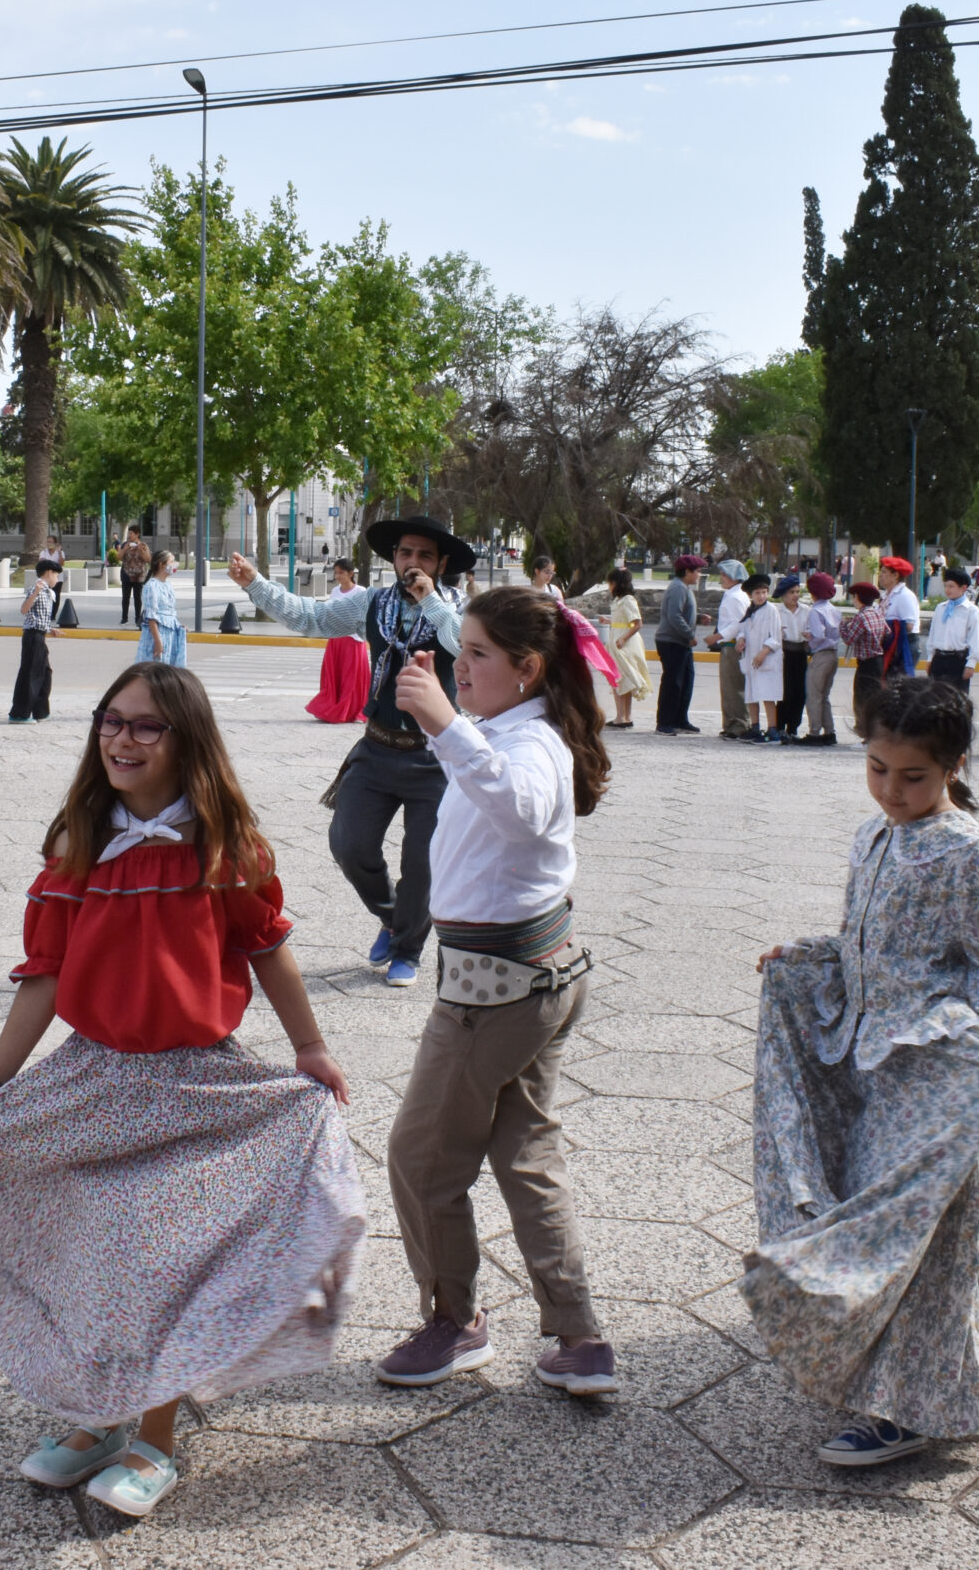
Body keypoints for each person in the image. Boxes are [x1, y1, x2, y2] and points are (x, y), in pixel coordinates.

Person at [0, 662, 362, 1518]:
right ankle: (94, 1414)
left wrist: (309, 1046)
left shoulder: (226, 845)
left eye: (144, 727)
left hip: (198, 1083)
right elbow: (44, 974)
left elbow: (267, 946)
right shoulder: (77, 844)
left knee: (158, 1257)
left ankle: (154, 1438)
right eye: (110, 720)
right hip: (93, 1076)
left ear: (186, 742)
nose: (121, 739)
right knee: (83, 1248)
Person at [745, 676, 979, 1466]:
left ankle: (910, 1407)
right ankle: (911, 1374)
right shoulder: (873, 836)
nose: (892, 789)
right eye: (877, 767)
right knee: (902, 1223)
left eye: (912, 776)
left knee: (918, 1231)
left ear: (951, 766)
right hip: (872, 1061)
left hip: (939, 1069)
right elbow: (863, 942)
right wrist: (809, 955)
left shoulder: (969, 852)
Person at [373, 587, 619, 1396]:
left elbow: (517, 807)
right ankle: (578, 1332)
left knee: (421, 1154)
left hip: (497, 991)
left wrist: (445, 722)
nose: (459, 664)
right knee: (525, 1153)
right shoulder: (511, 730)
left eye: (478, 653)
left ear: (528, 669)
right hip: (526, 976)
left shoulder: (534, 744)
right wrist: (452, 725)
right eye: (461, 647)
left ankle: (454, 1320)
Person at [231, 518, 473, 987]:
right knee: (349, 843)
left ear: (441, 564)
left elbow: (462, 645)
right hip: (379, 747)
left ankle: (408, 950)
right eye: (406, 554)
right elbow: (313, 618)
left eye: (425, 556)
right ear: (394, 558)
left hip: (436, 757)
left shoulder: (460, 609)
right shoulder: (372, 603)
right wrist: (256, 586)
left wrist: (431, 601)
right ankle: (394, 918)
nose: (413, 564)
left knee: (423, 864)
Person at [307, 560, 371, 724]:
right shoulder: (335, 591)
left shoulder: (361, 591)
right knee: (333, 676)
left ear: (351, 573)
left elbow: (364, 615)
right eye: (336, 572)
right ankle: (331, 707)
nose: (337, 576)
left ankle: (355, 711)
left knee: (353, 678)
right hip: (336, 639)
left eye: (341, 572)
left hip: (354, 639)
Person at [10, 559, 63, 725]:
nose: (57, 579)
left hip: (40, 635)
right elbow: (24, 610)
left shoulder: (47, 591)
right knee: (30, 674)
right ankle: (20, 713)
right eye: (56, 575)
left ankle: (40, 710)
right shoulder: (37, 588)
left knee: (45, 673)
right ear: (48, 573)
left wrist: (50, 629)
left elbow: (39, 617)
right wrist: (34, 594)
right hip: (32, 637)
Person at [654, 555, 703, 735]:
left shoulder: (684, 588)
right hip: (672, 641)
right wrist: (689, 635)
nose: (699, 574)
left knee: (686, 682)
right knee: (673, 683)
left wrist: (698, 618)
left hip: (680, 641)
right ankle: (665, 722)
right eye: (697, 571)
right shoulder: (677, 588)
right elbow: (674, 616)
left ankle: (680, 719)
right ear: (687, 571)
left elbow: (681, 612)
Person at [796, 572, 843, 746]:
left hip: (821, 654)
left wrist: (810, 637)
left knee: (814, 694)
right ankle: (829, 731)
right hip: (833, 653)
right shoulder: (834, 610)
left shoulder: (815, 611)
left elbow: (819, 634)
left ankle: (814, 732)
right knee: (825, 695)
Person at [739, 571, 785, 741]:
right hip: (752, 660)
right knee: (752, 694)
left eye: (764, 592)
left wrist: (763, 652)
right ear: (751, 595)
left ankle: (772, 729)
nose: (761, 596)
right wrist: (740, 640)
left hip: (766, 659)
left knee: (767, 695)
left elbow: (775, 637)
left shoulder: (771, 610)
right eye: (757, 593)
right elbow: (742, 629)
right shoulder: (750, 611)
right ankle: (755, 726)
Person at [840, 581, 889, 732]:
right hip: (878, 660)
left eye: (854, 596)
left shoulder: (861, 617)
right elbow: (888, 632)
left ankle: (864, 732)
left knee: (862, 698)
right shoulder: (877, 613)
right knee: (874, 697)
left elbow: (849, 639)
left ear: (858, 597)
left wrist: (842, 626)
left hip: (866, 662)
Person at [712, 561, 752, 739]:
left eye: (724, 575)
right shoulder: (736, 594)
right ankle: (731, 723)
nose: (721, 578)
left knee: (732, 688)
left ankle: (737, 725)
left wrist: (718, 636)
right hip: (730, 644)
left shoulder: (735, 597)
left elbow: (737, 624)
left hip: (731, 645)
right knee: (731, 687)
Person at [605, 567, 648, 729]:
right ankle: (623, 716)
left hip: (623, 644)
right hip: (617, 640)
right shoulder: (619, 600)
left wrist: (623, 638)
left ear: (616, 583)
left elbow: (637, 623)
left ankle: (622, 716)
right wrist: (608, 621)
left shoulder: (628, 600)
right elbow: (622, 620)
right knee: (621, 680)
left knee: (621, 679)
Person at [925, 567, 979, 688]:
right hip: (939, 659)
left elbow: (974, 638)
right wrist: (930, 658)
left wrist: (971, 664)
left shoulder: (971, 611)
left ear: (963, 588)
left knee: (956, 699)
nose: (947, 590)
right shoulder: (941, 608)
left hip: (958, 660)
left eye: (951, 586)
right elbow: (933, 634)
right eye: (946, 586)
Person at [773, 575, 810, 741]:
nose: (795, 595)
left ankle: (793, 727)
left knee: (800, 692)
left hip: (801, 652)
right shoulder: (776, 611)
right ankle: (780, 726)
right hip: (784, 653)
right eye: (791, 592)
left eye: (797, 592)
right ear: (783, 594)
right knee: (785, 692)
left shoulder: (806, 610)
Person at [136, 548, 185, 666]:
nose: (174, 565)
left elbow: (170, 610)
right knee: (154, 669)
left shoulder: (168, 585)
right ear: (161, 564)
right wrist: (158, 642)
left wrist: (177, 624)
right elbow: (151, 617)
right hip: (157, 635)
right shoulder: (151, 586)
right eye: (171, 561)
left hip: (170, 634)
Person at [876, 556, 921, 677]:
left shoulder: (905, 596)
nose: (880, 575)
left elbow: (909, 626)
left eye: (884, 572)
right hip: (889, 644)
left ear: (895, 575)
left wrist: (887, 626)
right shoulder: (886, 596)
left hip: (903, 645)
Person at [118, 525, 152, 626]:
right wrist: (124, 549)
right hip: (126, 575)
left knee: (137, 598)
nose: (129, 535)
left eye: (131, 533)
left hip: (139, 577)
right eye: (129, 533)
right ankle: (124, 618)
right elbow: (118, 557)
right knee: (125, 597)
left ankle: (138, 618)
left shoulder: (143, 545)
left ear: (137, 534)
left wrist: (140, 550)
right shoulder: (125, 544)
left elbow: (148, 560)